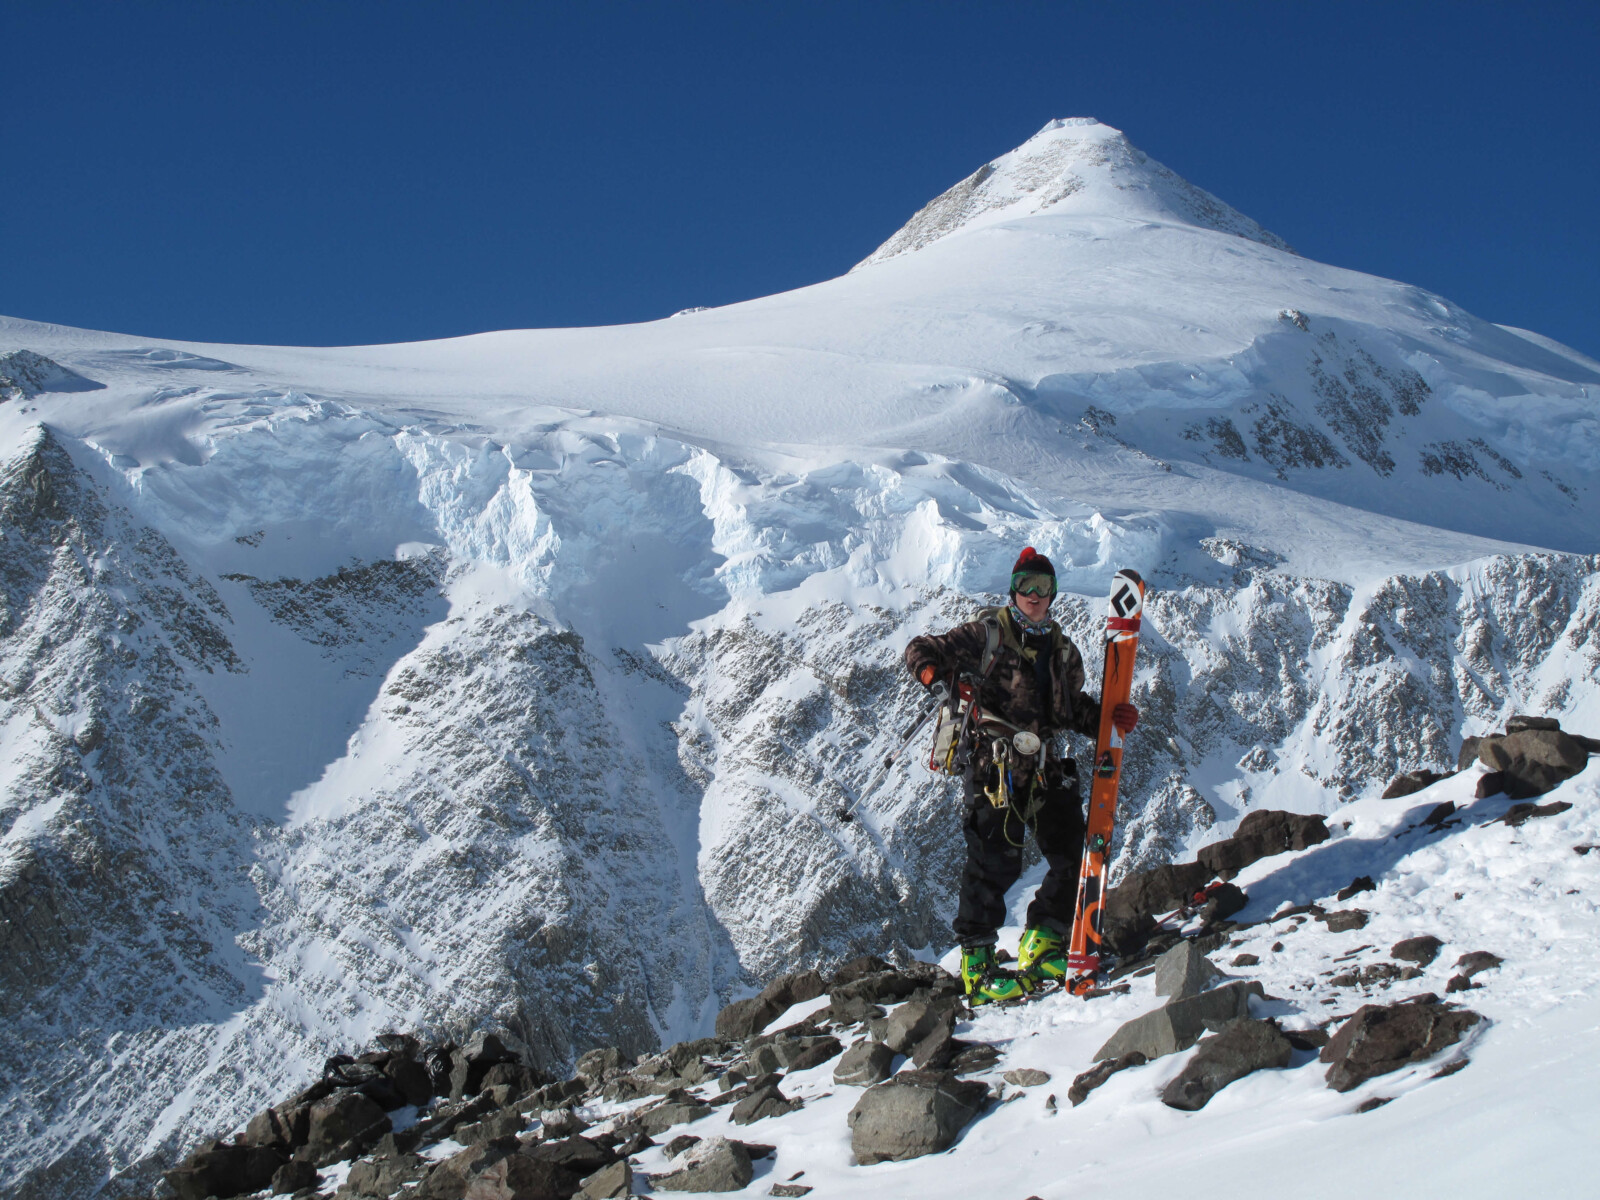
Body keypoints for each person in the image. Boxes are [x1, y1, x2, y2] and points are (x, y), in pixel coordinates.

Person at [903, 547, 1139, 1003]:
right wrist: (938, 677)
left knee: (1074, 853)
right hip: (994, 768)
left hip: (1044, 769)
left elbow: (1072, 709)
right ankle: (977, 967)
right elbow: (920, 649)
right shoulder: (986, 635)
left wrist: (1110, 718)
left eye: (1043, 586)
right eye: (1026, 585)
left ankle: (1043, 942)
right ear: (1013, 590)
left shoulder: (1063, 651)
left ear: (1053, 593)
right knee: (992, 864)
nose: (1034, 594)